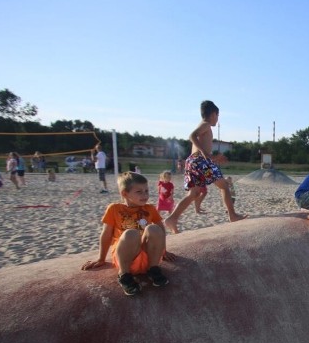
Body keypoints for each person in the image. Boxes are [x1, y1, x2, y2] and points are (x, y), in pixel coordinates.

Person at [81, 172, 175, 296]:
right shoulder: (114, 209)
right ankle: (124, 275)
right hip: (125, 259)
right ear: (125, 193)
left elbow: (161, 231)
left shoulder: (150, 209)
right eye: (139, 192)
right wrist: (101, 258)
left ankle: (154, 270)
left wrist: (163, 251)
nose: (145, 195)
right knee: (131, 234)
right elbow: (106, 234)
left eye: (146, 191)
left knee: (154, 229)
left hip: (147, 259)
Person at [164, 100, 244, 233]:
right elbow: (192, 135)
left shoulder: (203, 125)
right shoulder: (206, 125)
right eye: (217, 117)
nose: (217, 120)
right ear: (213, 114)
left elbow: (198, 142)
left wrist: (211, 157)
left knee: (193, 193)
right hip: (201, 161)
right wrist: (206, 154)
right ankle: (232, 215)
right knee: (224, 186)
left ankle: (172, 218)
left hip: (193, 161)